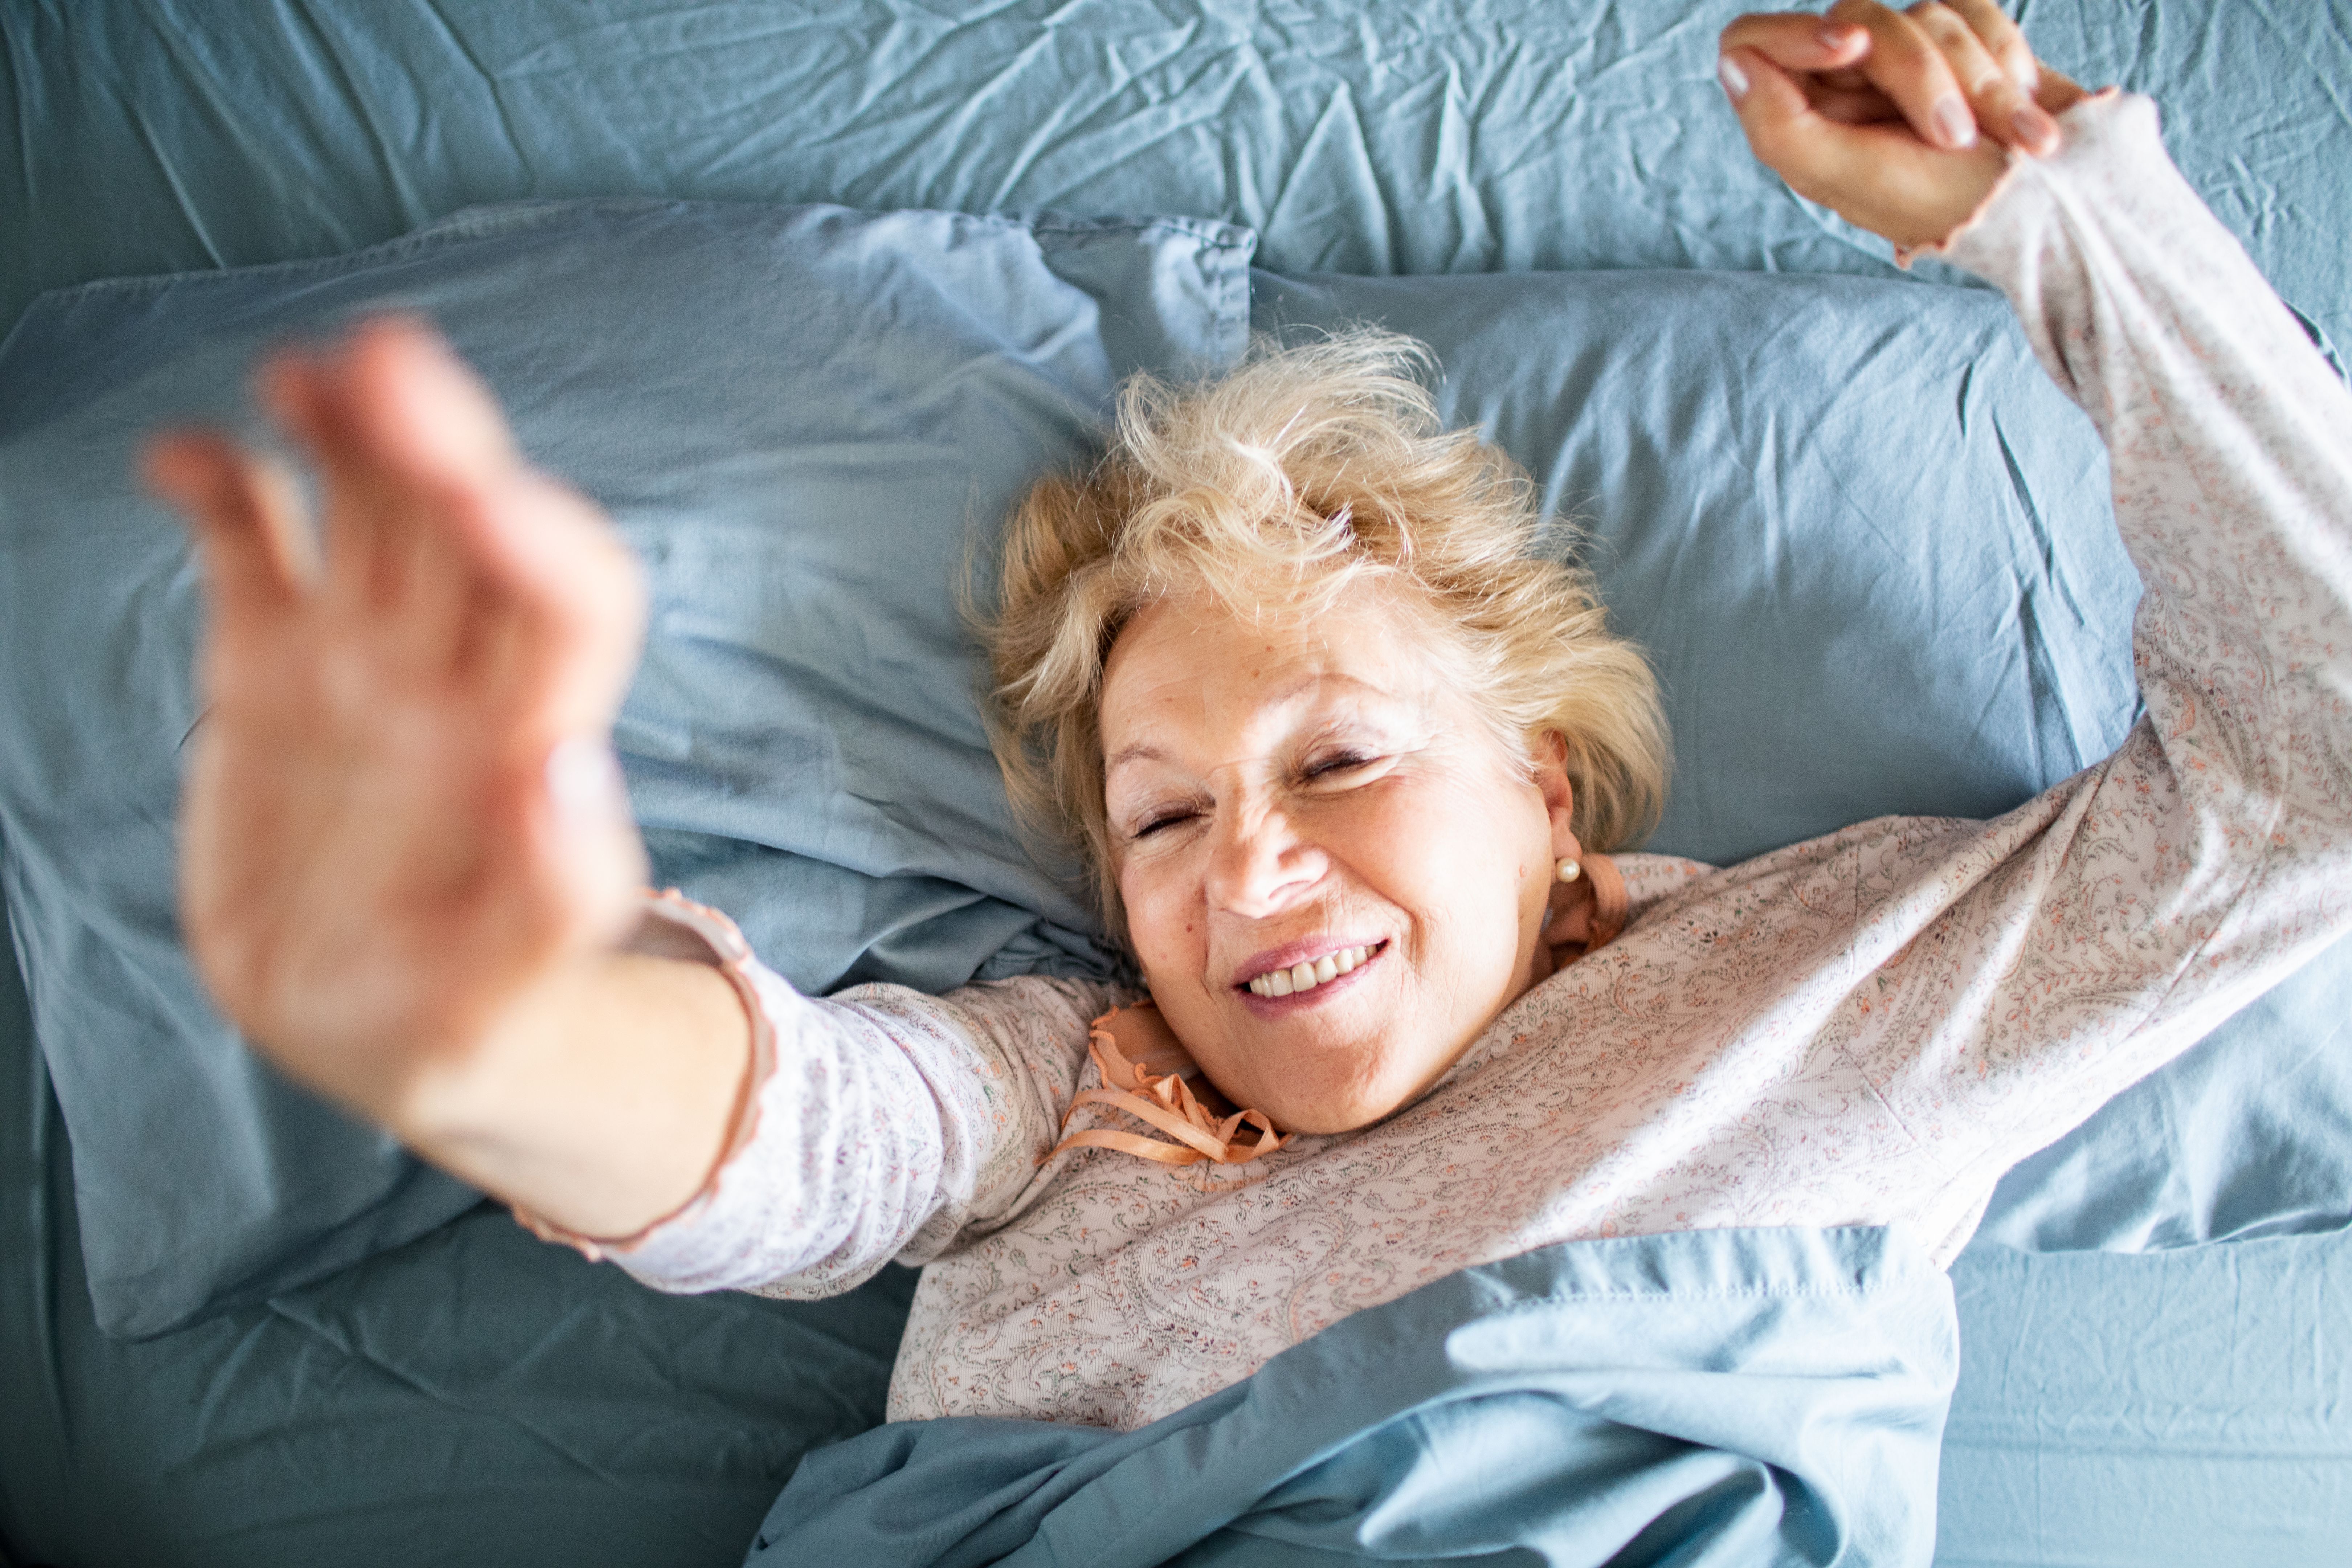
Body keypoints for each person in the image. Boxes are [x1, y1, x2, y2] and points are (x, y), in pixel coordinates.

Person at [146, 0, 2352, 1434]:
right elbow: (806, 1132)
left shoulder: (1833, 991)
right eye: (1161, 816)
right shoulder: (1075, 1081)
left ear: (1546, 786)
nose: (1245, 872)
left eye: (1338, 761)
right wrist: (486, 1024)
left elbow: (2310, 772)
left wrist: (2070, 221)